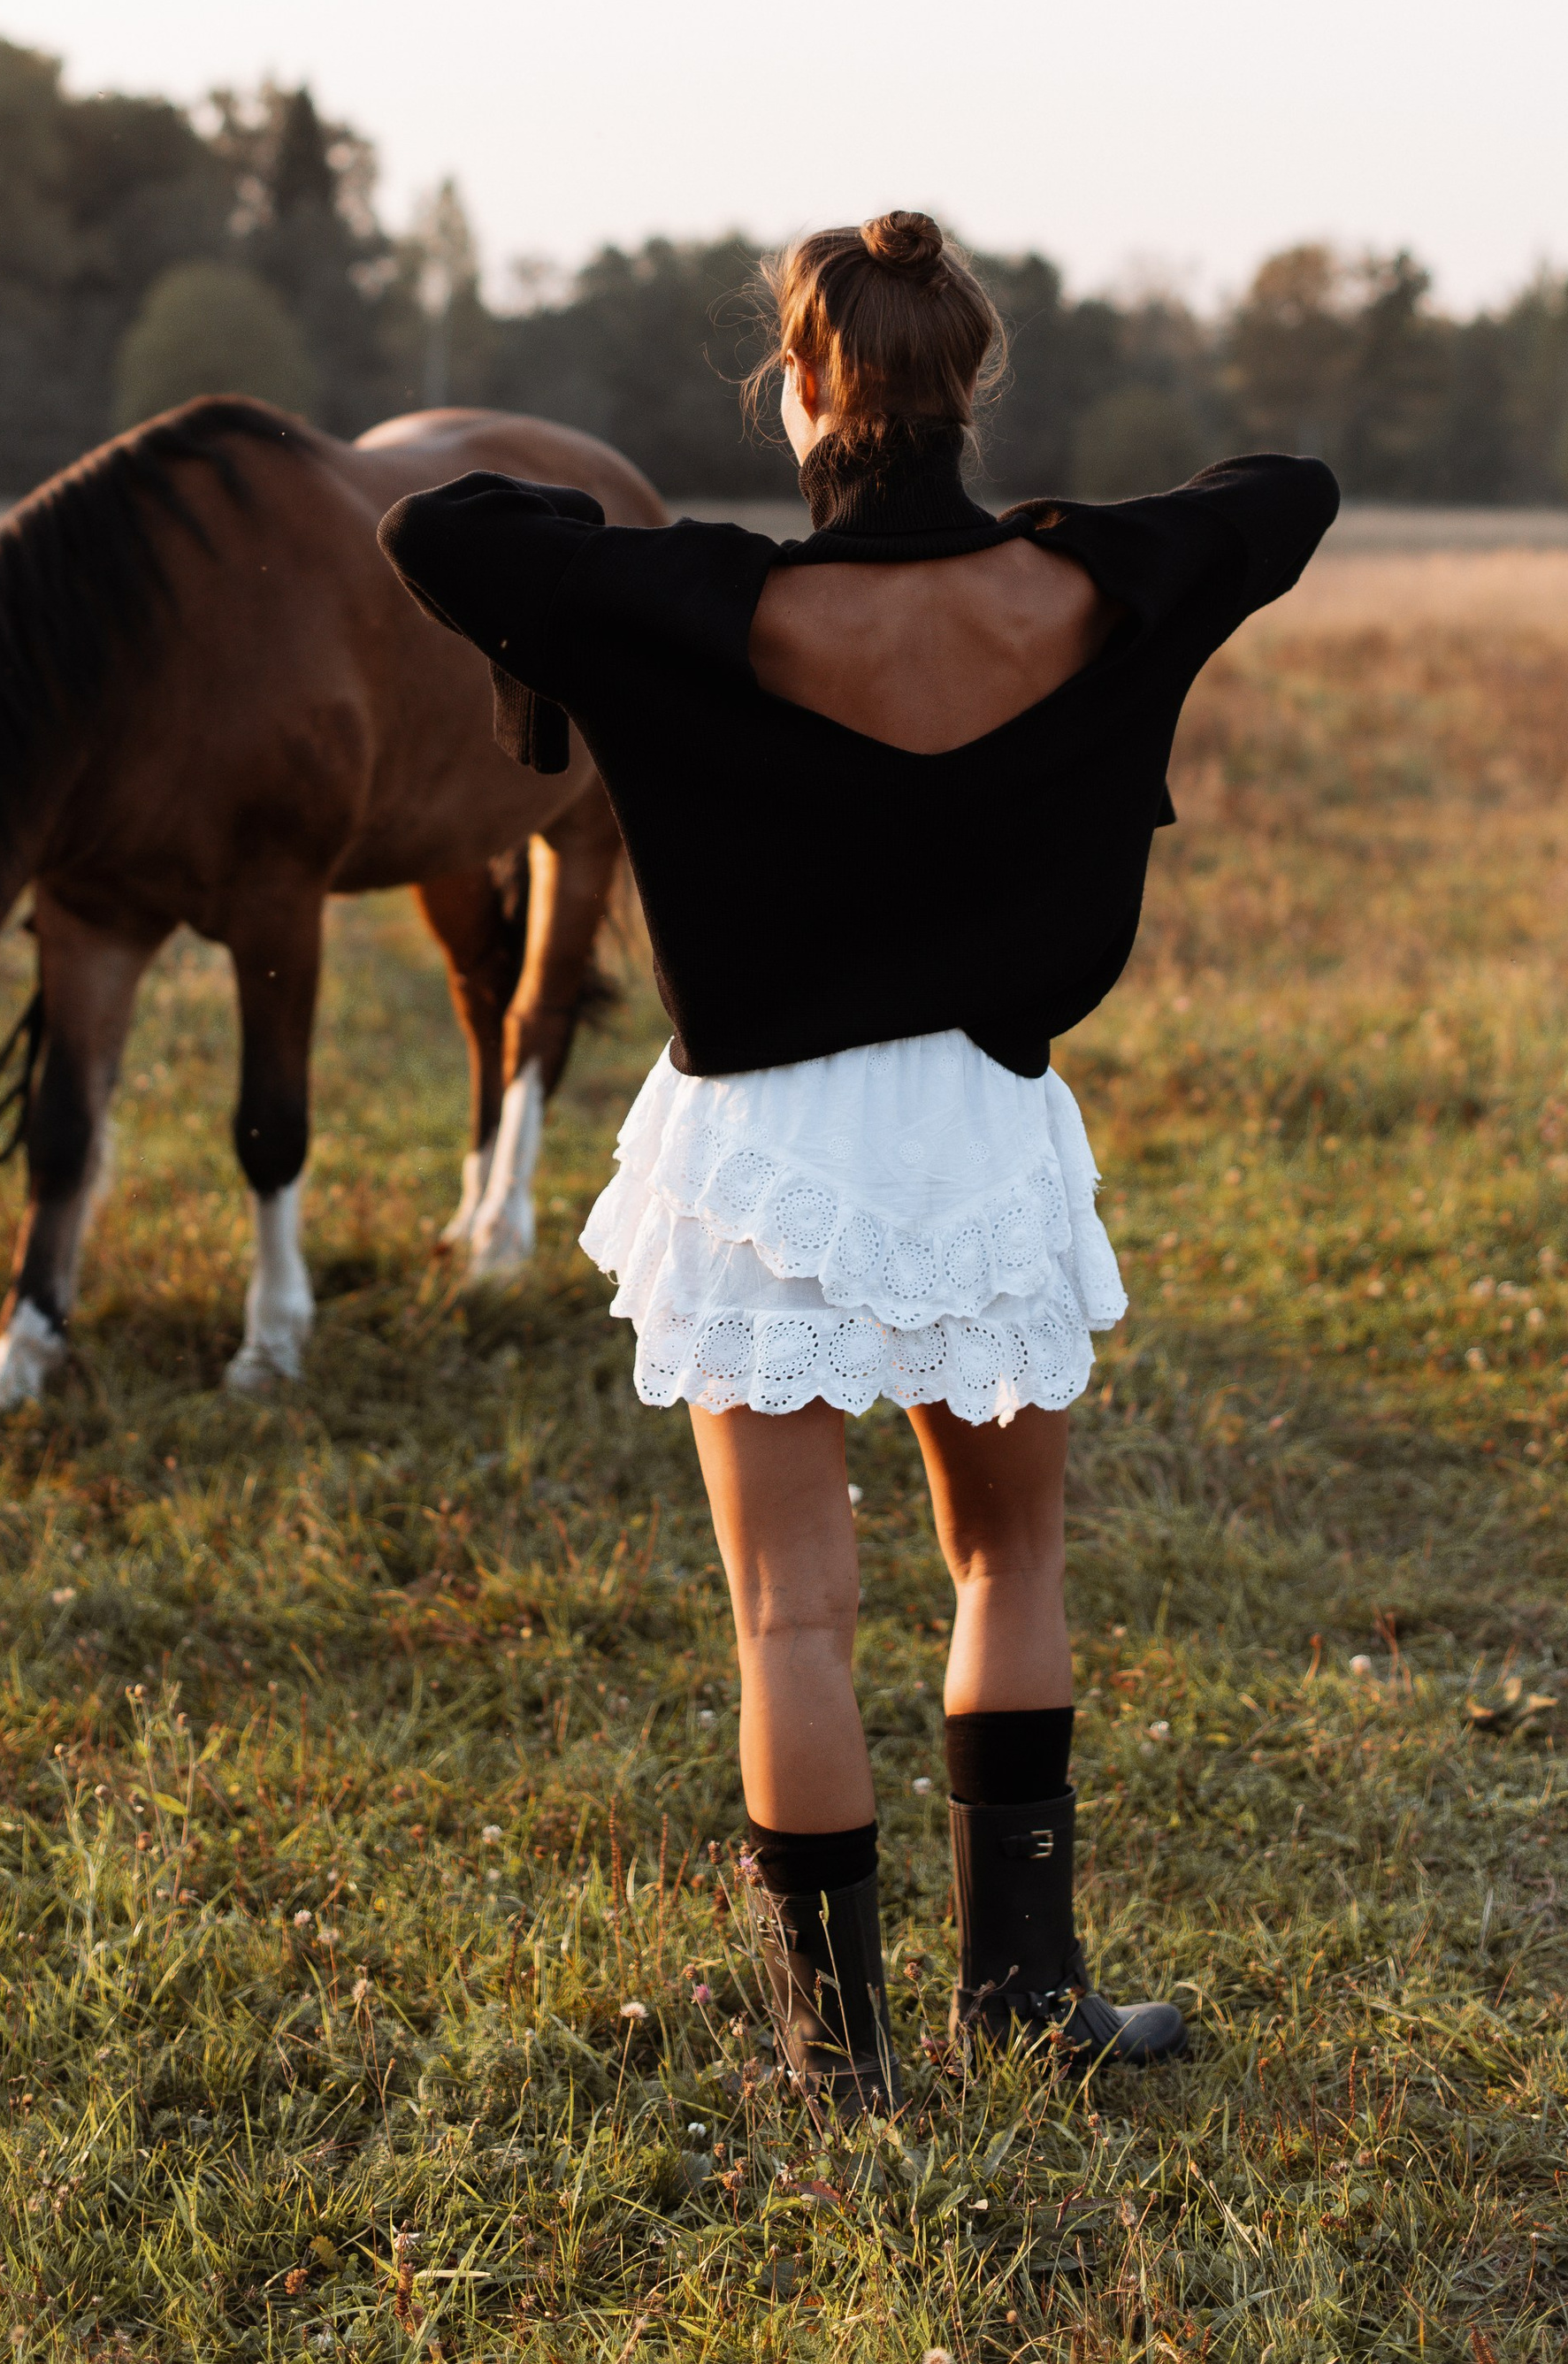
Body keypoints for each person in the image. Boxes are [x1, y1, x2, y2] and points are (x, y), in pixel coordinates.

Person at [379, 215, 1338, 2106]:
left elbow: (441, 528)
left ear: (802, 387)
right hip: (977, 1118)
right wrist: (1069, 538)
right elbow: (1280, 490)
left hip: (761, 1147)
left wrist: (610, 576)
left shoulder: (681, 605)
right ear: (968, 387)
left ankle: (837, 2064)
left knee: (789, 1613)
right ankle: (1025, 2002)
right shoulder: (1095, 590)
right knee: (1009, 1558)